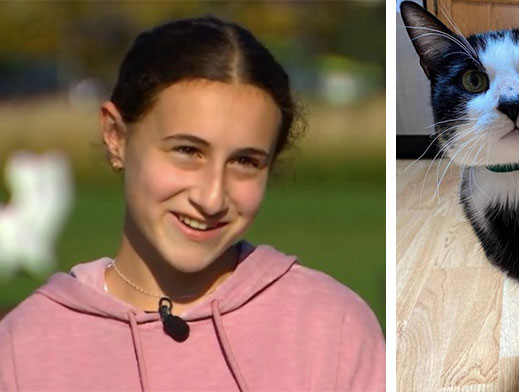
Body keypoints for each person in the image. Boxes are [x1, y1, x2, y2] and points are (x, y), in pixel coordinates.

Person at [0, 16, 384, 391]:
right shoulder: (21, 349)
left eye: (245, 162)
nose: (212, 197)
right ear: (115, 136)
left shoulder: (334, 329)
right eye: (187, 151)